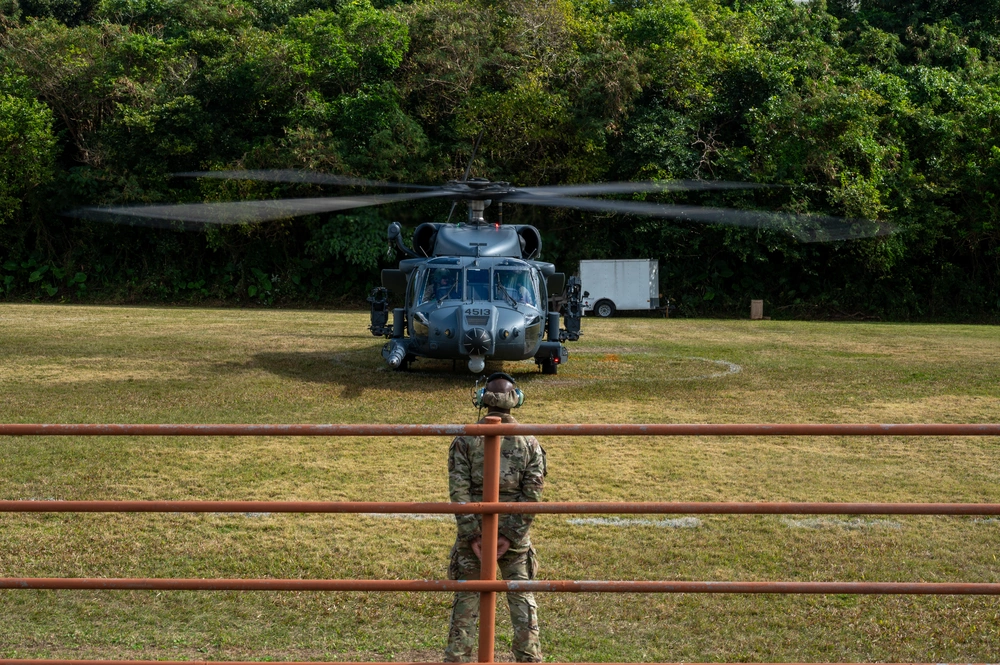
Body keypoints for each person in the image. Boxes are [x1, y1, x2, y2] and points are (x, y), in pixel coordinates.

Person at [444, 373, 547, 663]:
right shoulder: (529, 443)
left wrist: (474, 535)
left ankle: (457, 659)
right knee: (522, 602)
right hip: (514, 539)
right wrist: (510, 536)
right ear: (517, 401)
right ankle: (529, 658)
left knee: (466, 602)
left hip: (473, 535)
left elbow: (459, 491)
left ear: (481, 399)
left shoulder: (465, 440)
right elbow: (533, 495)